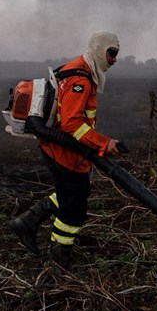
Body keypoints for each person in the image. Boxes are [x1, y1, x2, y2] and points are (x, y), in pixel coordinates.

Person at [9, 30, 122, 270]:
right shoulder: (80, 80)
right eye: (111, 53)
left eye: (116, 54)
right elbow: (71, 124)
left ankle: (28, 222)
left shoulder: (80, 70)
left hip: (64, 151)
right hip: (64, 154)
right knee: (73, 212)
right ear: (99, 49)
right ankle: (60, 263)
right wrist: (104, 143)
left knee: (73, 194)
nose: (114, 60)